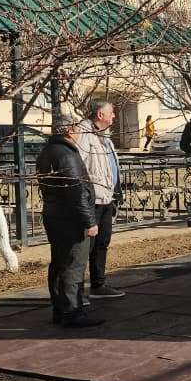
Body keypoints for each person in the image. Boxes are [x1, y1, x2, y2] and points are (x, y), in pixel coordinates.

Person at [37, 119, 103, 327]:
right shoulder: (66, 154)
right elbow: (76, 191)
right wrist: (89, 221)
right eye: (77, 129)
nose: (80, 133)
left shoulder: (48, 151)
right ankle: (72, 312)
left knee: (59, 264)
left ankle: (60, 309)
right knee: (73, 266)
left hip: (56, 217)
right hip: (70, 220)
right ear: (69, 130)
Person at [75, 100, 126, 300]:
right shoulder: (84, 134)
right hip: (92, 201)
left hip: (106, 198)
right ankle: (76, 293)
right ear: (100, 115)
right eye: (111, 112)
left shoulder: (105, 137)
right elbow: (78, 168)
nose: (114, 116)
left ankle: (98, 284)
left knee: (102, 243)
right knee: (84, 247)